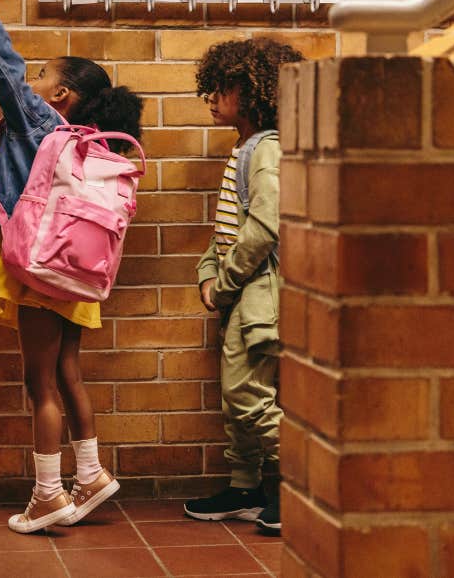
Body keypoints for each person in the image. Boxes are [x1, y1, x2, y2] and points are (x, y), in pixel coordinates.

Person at [0, 0, 143, 534]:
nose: (31, 87)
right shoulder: (96, 146)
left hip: (43, 267)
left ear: (62, 94)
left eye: (42, 80)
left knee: (39, 383)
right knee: (69, 371)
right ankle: (91, 474)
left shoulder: (45, 126)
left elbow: (6, 71)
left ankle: (48, 496)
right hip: (79, 270)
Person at [184, 38, 302, 536]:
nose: (211, 97)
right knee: (237, 397)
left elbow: (266, 225)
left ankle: (310, 487)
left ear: (254, 91)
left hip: (259, 289)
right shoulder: (246, 147)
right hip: (241, 286)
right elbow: (226, 231)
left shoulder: (268, 147)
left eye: (222, 87)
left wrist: (227, 283)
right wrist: (209, 273)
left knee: (246, 393)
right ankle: (246, 487)